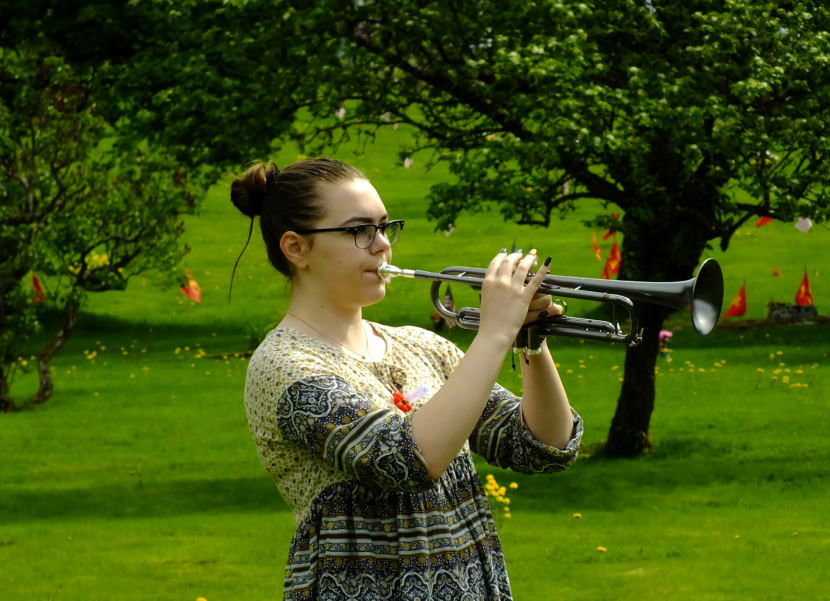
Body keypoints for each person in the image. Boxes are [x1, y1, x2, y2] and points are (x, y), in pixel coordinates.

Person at [231, 157, 583, 601]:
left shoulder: (419, 345)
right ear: (296, 248)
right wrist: (495, 332)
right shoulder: (285, 366)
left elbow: (541, 447)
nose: (382, 246)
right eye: (359, 230)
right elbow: (407, 459)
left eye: (384, 227)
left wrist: (530, 339)